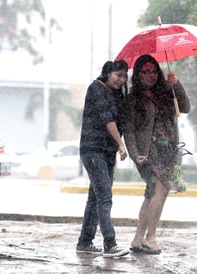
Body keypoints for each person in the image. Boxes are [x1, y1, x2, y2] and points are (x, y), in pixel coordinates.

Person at [124, 54, 191, 254]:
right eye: (145, 72)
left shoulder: (166, 92)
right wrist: (135, 154)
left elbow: (186, 107)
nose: (150, 76)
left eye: (154, 71)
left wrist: (176, 85)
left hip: (169, 150)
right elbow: (129, 130)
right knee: (161, 190)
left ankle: (138, 238)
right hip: (148, 153)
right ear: (137, 74)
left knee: (152, 192)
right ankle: (150, 237)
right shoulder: (132, 99)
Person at [76, 60, 130, 258]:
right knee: (105, 198)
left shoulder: (116, 95)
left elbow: (122, 120)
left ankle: (84, 242)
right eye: (118, 75)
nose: (122, 80)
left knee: (95, 198)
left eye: (125, 76)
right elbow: (108, 120)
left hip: (106, 153)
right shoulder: (96, 89)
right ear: (107, 73)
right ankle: (110, 244)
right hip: (92, 151)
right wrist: (121, 145)